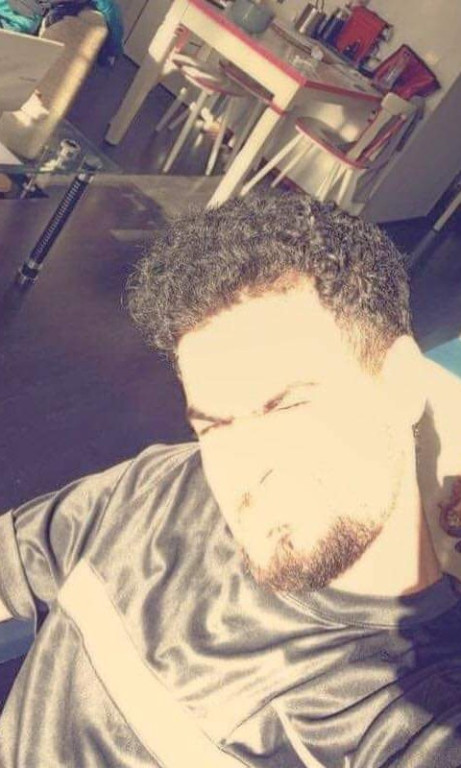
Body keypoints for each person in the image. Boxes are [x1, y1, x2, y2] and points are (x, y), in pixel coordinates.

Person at [0, 192, 461, 767]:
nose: (245, 469)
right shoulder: (160, 485)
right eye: (215, 425)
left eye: (286, 406)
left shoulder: (409, 708)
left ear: (400, 384)